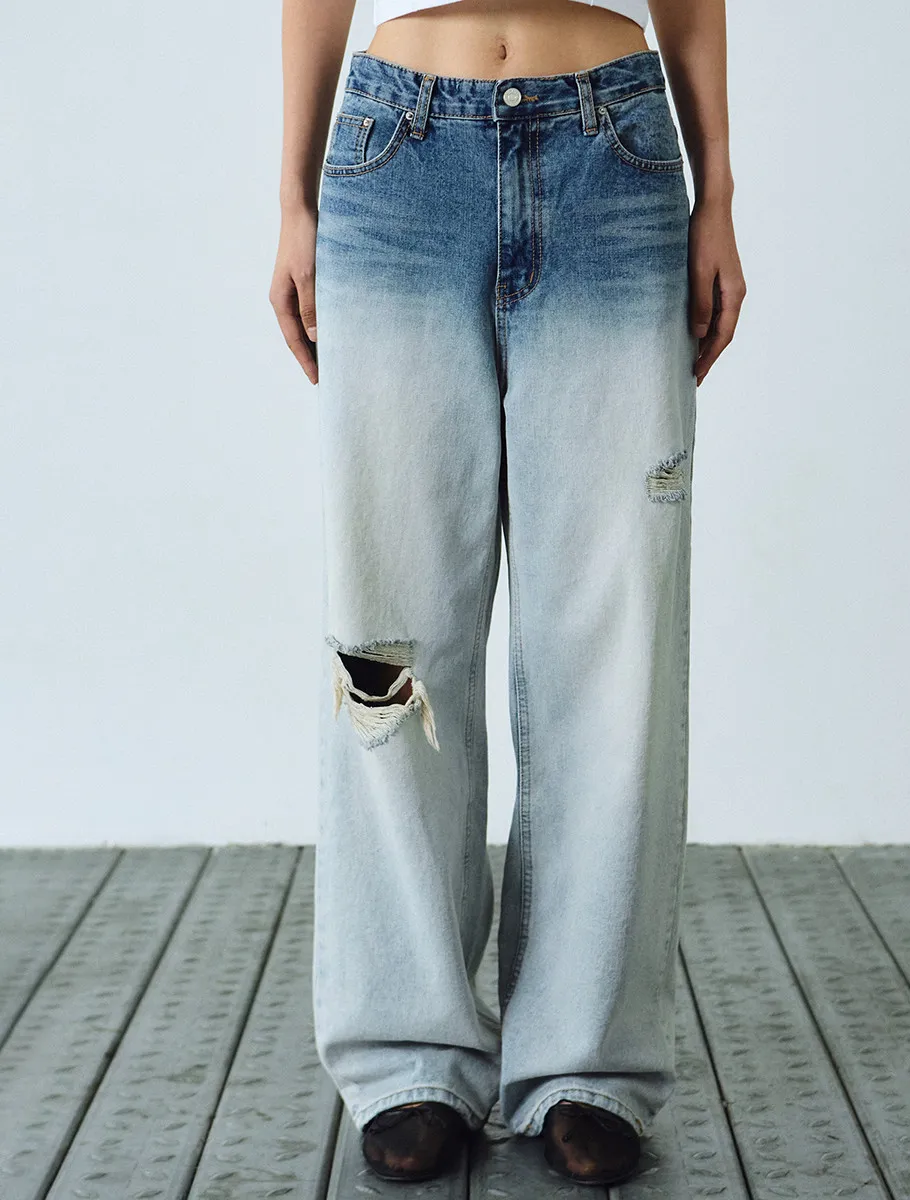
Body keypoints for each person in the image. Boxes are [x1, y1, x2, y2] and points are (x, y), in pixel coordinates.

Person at [270, 0, 744, 1185]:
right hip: (397, 159)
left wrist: (718, 193)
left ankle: (586, 1063)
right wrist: (291, 198)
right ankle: (408, 1056)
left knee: (610, 639)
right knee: (388, 641)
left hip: (611, 157)